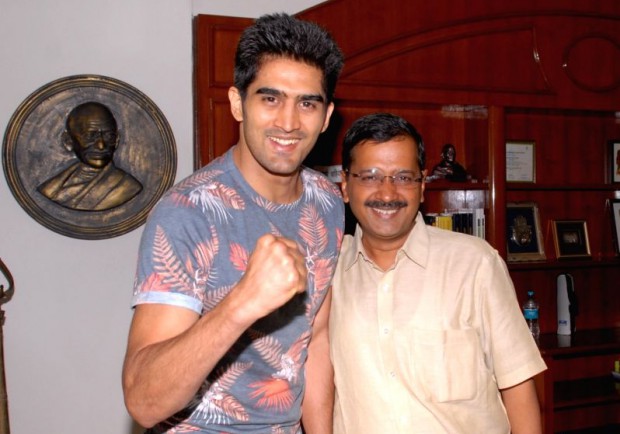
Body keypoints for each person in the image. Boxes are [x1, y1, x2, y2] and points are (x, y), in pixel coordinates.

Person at [122, 13, 344, 434]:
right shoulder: (188, 212)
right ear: (237, 103)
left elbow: (316, 338)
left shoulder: (328, 203)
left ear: (327, 115)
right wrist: (243, 303)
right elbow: (143, 401)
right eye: (270, 98)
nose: (289, 123)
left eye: (308, 103)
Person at [329, 112, 547, 433]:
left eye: (403, 177)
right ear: (345, 186)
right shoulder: (326, 273)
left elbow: (518, 386)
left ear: (422, 186)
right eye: (370, 176)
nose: (387, 194)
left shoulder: (475, 264)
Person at [37, 101, 142, 211]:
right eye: (90, 137)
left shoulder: (127, 187)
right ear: (68, 142)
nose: (101, 146)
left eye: (109, 136)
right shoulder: (50, 188)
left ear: (116, 140)